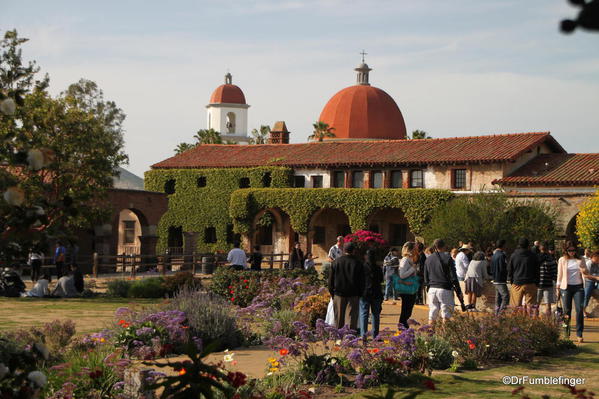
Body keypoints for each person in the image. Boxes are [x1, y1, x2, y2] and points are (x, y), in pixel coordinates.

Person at [557, 242, 598, 343]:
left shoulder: (581, 259)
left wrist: (583, 270)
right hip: (565, 287)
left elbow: (585, 273)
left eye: (573, 250)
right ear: (566, 251)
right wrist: (557, 288)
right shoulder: (562, 260)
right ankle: (566, 333)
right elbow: (559, 275)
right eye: (570, 250)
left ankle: (579, 334)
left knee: (579, 310)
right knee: (566, 311)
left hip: (578, 287)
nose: (572, 252)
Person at [424, 239, 463, 323]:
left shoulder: (428, 259)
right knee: (446, 316)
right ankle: (445, 335)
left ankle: (430, 335)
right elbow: (453, 277)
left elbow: (426, 277)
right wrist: (459, 291)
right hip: (445, 289)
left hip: (432, 289)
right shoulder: (447, 257)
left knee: (432, 315)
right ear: (444, 246)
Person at [328, 242, 364, 330]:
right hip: (353, 294)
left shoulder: (336, 262)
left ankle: (339, 338)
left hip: (339, 293)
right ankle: (350, 338)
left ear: (343, 250)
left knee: (339, 317)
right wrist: (360, 293)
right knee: (352, 317)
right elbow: (362, 281)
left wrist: (332, 293)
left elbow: (330, 280)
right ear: (354, 251)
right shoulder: (358, 263)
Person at [507, 238, 540, 314]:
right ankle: (530, 323)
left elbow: (510, 270)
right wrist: (536, 282)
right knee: (531, 306)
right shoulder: (533, 256)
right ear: (528, 245)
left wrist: (511, 281)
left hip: (517, 282)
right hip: (530, 282)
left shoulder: (514, 255)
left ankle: (515, 323)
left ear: (519, 245)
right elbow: (537, 270)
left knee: (515, 306)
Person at [360, 249, 383, 339]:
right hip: (376, 293)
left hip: (365, 293)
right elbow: (381, 280)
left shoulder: (362, 267)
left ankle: (363, 335)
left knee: (364, 314)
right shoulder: (378, 268)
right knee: (375, 314)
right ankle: (375, 335)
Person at [398, 241, 418, 328]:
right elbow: (402, 275)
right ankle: (402, 328)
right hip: (407, 289)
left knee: (408, 310)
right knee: (406, 310)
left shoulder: (410, 259)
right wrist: (413, 269)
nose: (416, 250)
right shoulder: (405, 260)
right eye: (415, 248)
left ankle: (403, 327)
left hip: (410, 288)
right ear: (411, 249)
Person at [537, 241, 558, 317]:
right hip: (548, 283)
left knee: (536, 304)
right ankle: (548, 322)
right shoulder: (551, 259)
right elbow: (554, 273)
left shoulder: (536, 258)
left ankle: (534, 321)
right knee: (548, 304)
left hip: (538, 284)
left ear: (539, 248)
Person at [491, 240, 509, 314]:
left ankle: (496, 313)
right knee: (506, 296)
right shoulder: (502, 255)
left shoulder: (494, 255)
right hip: (500, 279)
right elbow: (503, 268)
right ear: (503, 245)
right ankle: (501, 314)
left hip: (495, 278)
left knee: (498, 297)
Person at [583, 251, 599, 317]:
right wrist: (596, 277)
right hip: (589, 281)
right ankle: (583, 310)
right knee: (586, 295)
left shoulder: (597, 263)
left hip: (597, 281)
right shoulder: (588, 263)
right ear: (593, 257)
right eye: (597, 259)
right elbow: (585, 275)